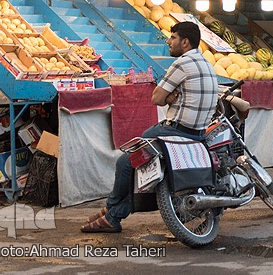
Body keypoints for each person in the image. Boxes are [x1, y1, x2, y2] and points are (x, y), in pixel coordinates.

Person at [81, 21, 218, 233]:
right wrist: (169, 97)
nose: (168, 42)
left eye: (173, 38)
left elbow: (156, 98)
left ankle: (111, 210)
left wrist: (167, 98)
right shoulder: (207, 64)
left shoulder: (182, 64)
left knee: (126, 161)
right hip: (198, 133)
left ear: (185, 42)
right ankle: (112, 213)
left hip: (175, 131)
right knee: (139, 160)